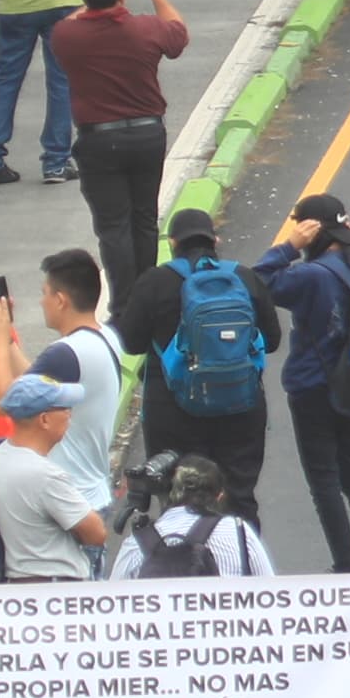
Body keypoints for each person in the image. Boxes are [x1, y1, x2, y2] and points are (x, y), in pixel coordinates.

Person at [247, 194, 350, 571]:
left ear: (312, 231)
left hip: (313, 386)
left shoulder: (310, 275)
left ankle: (344, 565)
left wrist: (289, 247)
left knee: (324, 479)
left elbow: (256, 283)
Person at [117, 206, 280, 509]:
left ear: (173, 243)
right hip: (240, 406)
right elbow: (272, 341)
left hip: (172, 410)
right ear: (215, 241)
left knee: (180, 500)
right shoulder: (244, 278)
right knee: (239, 496)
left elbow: (131, 342)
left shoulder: (154, 282)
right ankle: (237, 553)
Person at [55, 0, 191, 315]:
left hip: (98, 140)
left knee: (113, 225)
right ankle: (148, 295)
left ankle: (124, 303)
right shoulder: (146, 28)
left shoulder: (68, 34)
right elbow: (178, 35)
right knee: (144, 217)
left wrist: (93, 3)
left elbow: (71, 20)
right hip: (147, 134)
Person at [0, 249, 121, 580]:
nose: (40, 301)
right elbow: (38, 389)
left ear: (60, 299)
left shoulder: (67, 352)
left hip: (69, 499)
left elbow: (7, 402)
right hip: (90, 488)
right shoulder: (103, 338)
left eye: (43, 293)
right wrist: (10, 337)